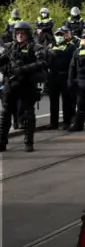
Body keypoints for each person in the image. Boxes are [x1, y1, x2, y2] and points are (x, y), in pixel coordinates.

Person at [0, 21, 44, 152]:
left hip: (27, 84)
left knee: (28, 114)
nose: (20, 35)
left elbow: (42, 63)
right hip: (11, 83)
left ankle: (28, 142)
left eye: (22, 32)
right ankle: (2, 142)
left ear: (28, 33)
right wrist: (6, 66)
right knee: (5, 113)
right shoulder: (9, 47)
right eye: (17, 32)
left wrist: (23, 69)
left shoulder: (35, 47)